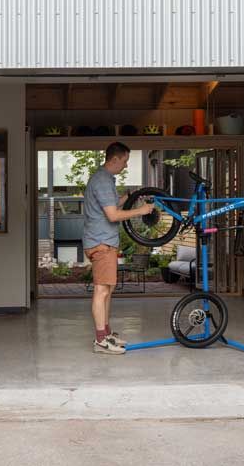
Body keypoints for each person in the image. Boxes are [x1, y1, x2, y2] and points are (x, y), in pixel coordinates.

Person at [81, 141, 157, 354]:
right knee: (101, 290)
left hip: (105, 241)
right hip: (101, 242)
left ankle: (106, 334)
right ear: (114, 159)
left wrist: (130, 196)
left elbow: (113, 205)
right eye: (124, 161)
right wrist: (141, 211)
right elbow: (113, 215)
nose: (125, 166)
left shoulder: (105, 180)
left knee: (108, 289)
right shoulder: (102, 181)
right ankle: (100, 341)